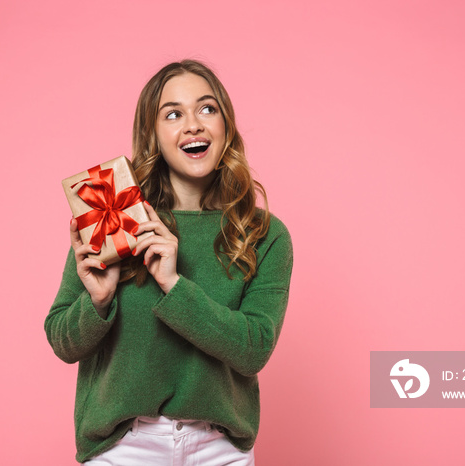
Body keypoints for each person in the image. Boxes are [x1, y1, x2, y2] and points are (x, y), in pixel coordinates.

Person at [45, 59, 293, 465]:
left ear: (225, 126)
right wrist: (98, 302)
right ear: (154, 135)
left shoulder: (263, 233)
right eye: (173, 114)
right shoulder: (114, 214)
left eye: (207, 109)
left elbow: (254, 350)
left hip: (219, 450)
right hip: (123, 449)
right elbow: (62, 342)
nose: (193, 124)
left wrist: (174, 285)